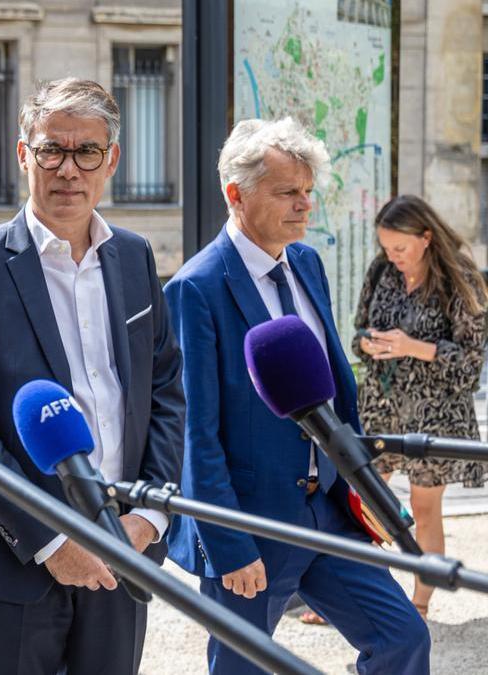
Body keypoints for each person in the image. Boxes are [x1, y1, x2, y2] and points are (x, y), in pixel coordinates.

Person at [0, 77, 185, 675]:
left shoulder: (136, 256)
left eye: (86, 152)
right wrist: (52, 540)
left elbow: (166, 391)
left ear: (111, 160)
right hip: (15, 558)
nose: (68, 169)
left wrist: (149, 517)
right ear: (24, 154)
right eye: (51, 150)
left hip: (125, 546)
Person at [164, 117, 429, 674]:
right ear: (235, 195)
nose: (304, 205)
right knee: (243, 667)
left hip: (328, 510)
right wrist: (229, 545)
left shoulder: (305, 262)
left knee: (403, 638)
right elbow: (197, 434)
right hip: (254, 524)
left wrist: (364, 494)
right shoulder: (196, 288)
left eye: (308, 191)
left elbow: (333, 390)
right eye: (288, 192)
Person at [352, 194, 488, 620]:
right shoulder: (381, 269)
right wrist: (368, 343)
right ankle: (352, 594)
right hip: (382, 404)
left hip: (436, 413)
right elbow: (358, 328)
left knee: (424, 509)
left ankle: (419, 605)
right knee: (362, 501)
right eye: (386, 248)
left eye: (400, 249)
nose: (392, 257)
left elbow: (471, 365)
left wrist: (415, 348)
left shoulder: (460, 277)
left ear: (426, 238)